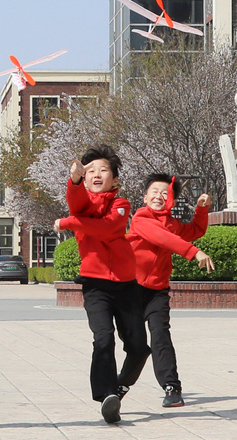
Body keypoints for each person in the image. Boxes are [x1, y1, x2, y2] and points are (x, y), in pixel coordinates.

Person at [56, 146, 149, 424]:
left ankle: (120, 386)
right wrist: (73, 181)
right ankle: (107, 394)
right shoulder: (82, 204)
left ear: (115, 179)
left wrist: (69, 222)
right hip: (95, 285)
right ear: (85, 179)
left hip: (127, 285)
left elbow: (108, 228)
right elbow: (76, 202)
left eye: (103, 170)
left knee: (138, 347)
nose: (97, 174)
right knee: (103, 338)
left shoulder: (121, 204)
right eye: (91, 171)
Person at [127, 174, 214, 408]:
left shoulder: (173, 224)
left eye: (165, 193)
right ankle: (120, 384)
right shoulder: (140, 218)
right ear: (145, 197)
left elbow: (195, 230)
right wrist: (194, 252)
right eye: (154, 191)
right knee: (135, 345)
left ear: (172, 201)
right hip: (130, 289)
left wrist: (201, 209)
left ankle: (172, 387)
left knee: (161, 336)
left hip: (157, 291)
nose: (159, 196)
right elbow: (162, 238)